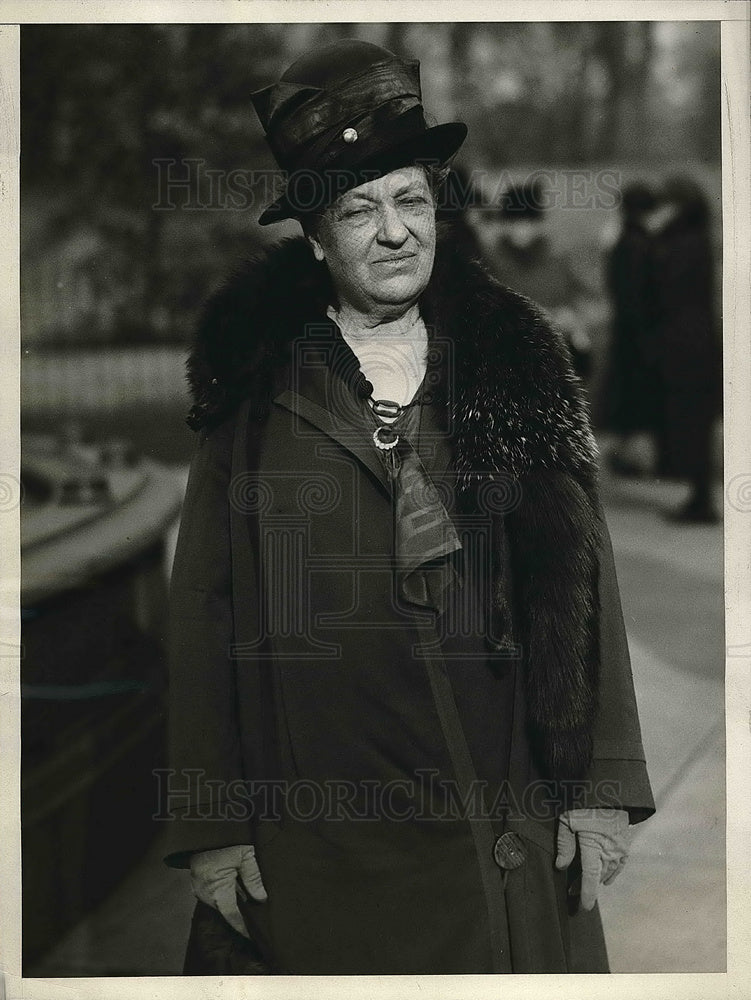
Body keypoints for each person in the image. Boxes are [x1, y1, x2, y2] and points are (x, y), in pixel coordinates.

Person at [164, 39, 655, 975]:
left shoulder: (515, 358)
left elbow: (586, 575)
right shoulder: (256, 388)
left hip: (501, 816)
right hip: (322, 839)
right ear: (313, 238)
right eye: (358, 210)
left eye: (410, 200)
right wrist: (210, 822)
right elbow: (203, 612)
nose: (394, 233)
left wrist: (598, 786)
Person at [647, 176, 722, 522]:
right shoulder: (697, 240)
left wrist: (655, 237)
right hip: (695, 340)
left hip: (685, 343)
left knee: (691, 422)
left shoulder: (684, 244)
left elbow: (664, 287)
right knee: (695, 423)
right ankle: (699, 496)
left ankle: (701, 500)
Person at [486, 180, 595, 379]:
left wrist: (574, 321)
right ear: (505, 224)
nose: (520, 229)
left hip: (553, 366)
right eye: (514, 222)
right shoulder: (491, 266)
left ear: (538, 223)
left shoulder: (557, 262)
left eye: (527, 222)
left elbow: (587, 305)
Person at [603, 181, 663, 477]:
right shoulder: (643, 242)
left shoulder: (622, 239)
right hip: (640, 331)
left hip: (625, 329)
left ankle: (626, 455)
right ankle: (634, 458)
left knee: (626, 394)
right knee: (639, 395)